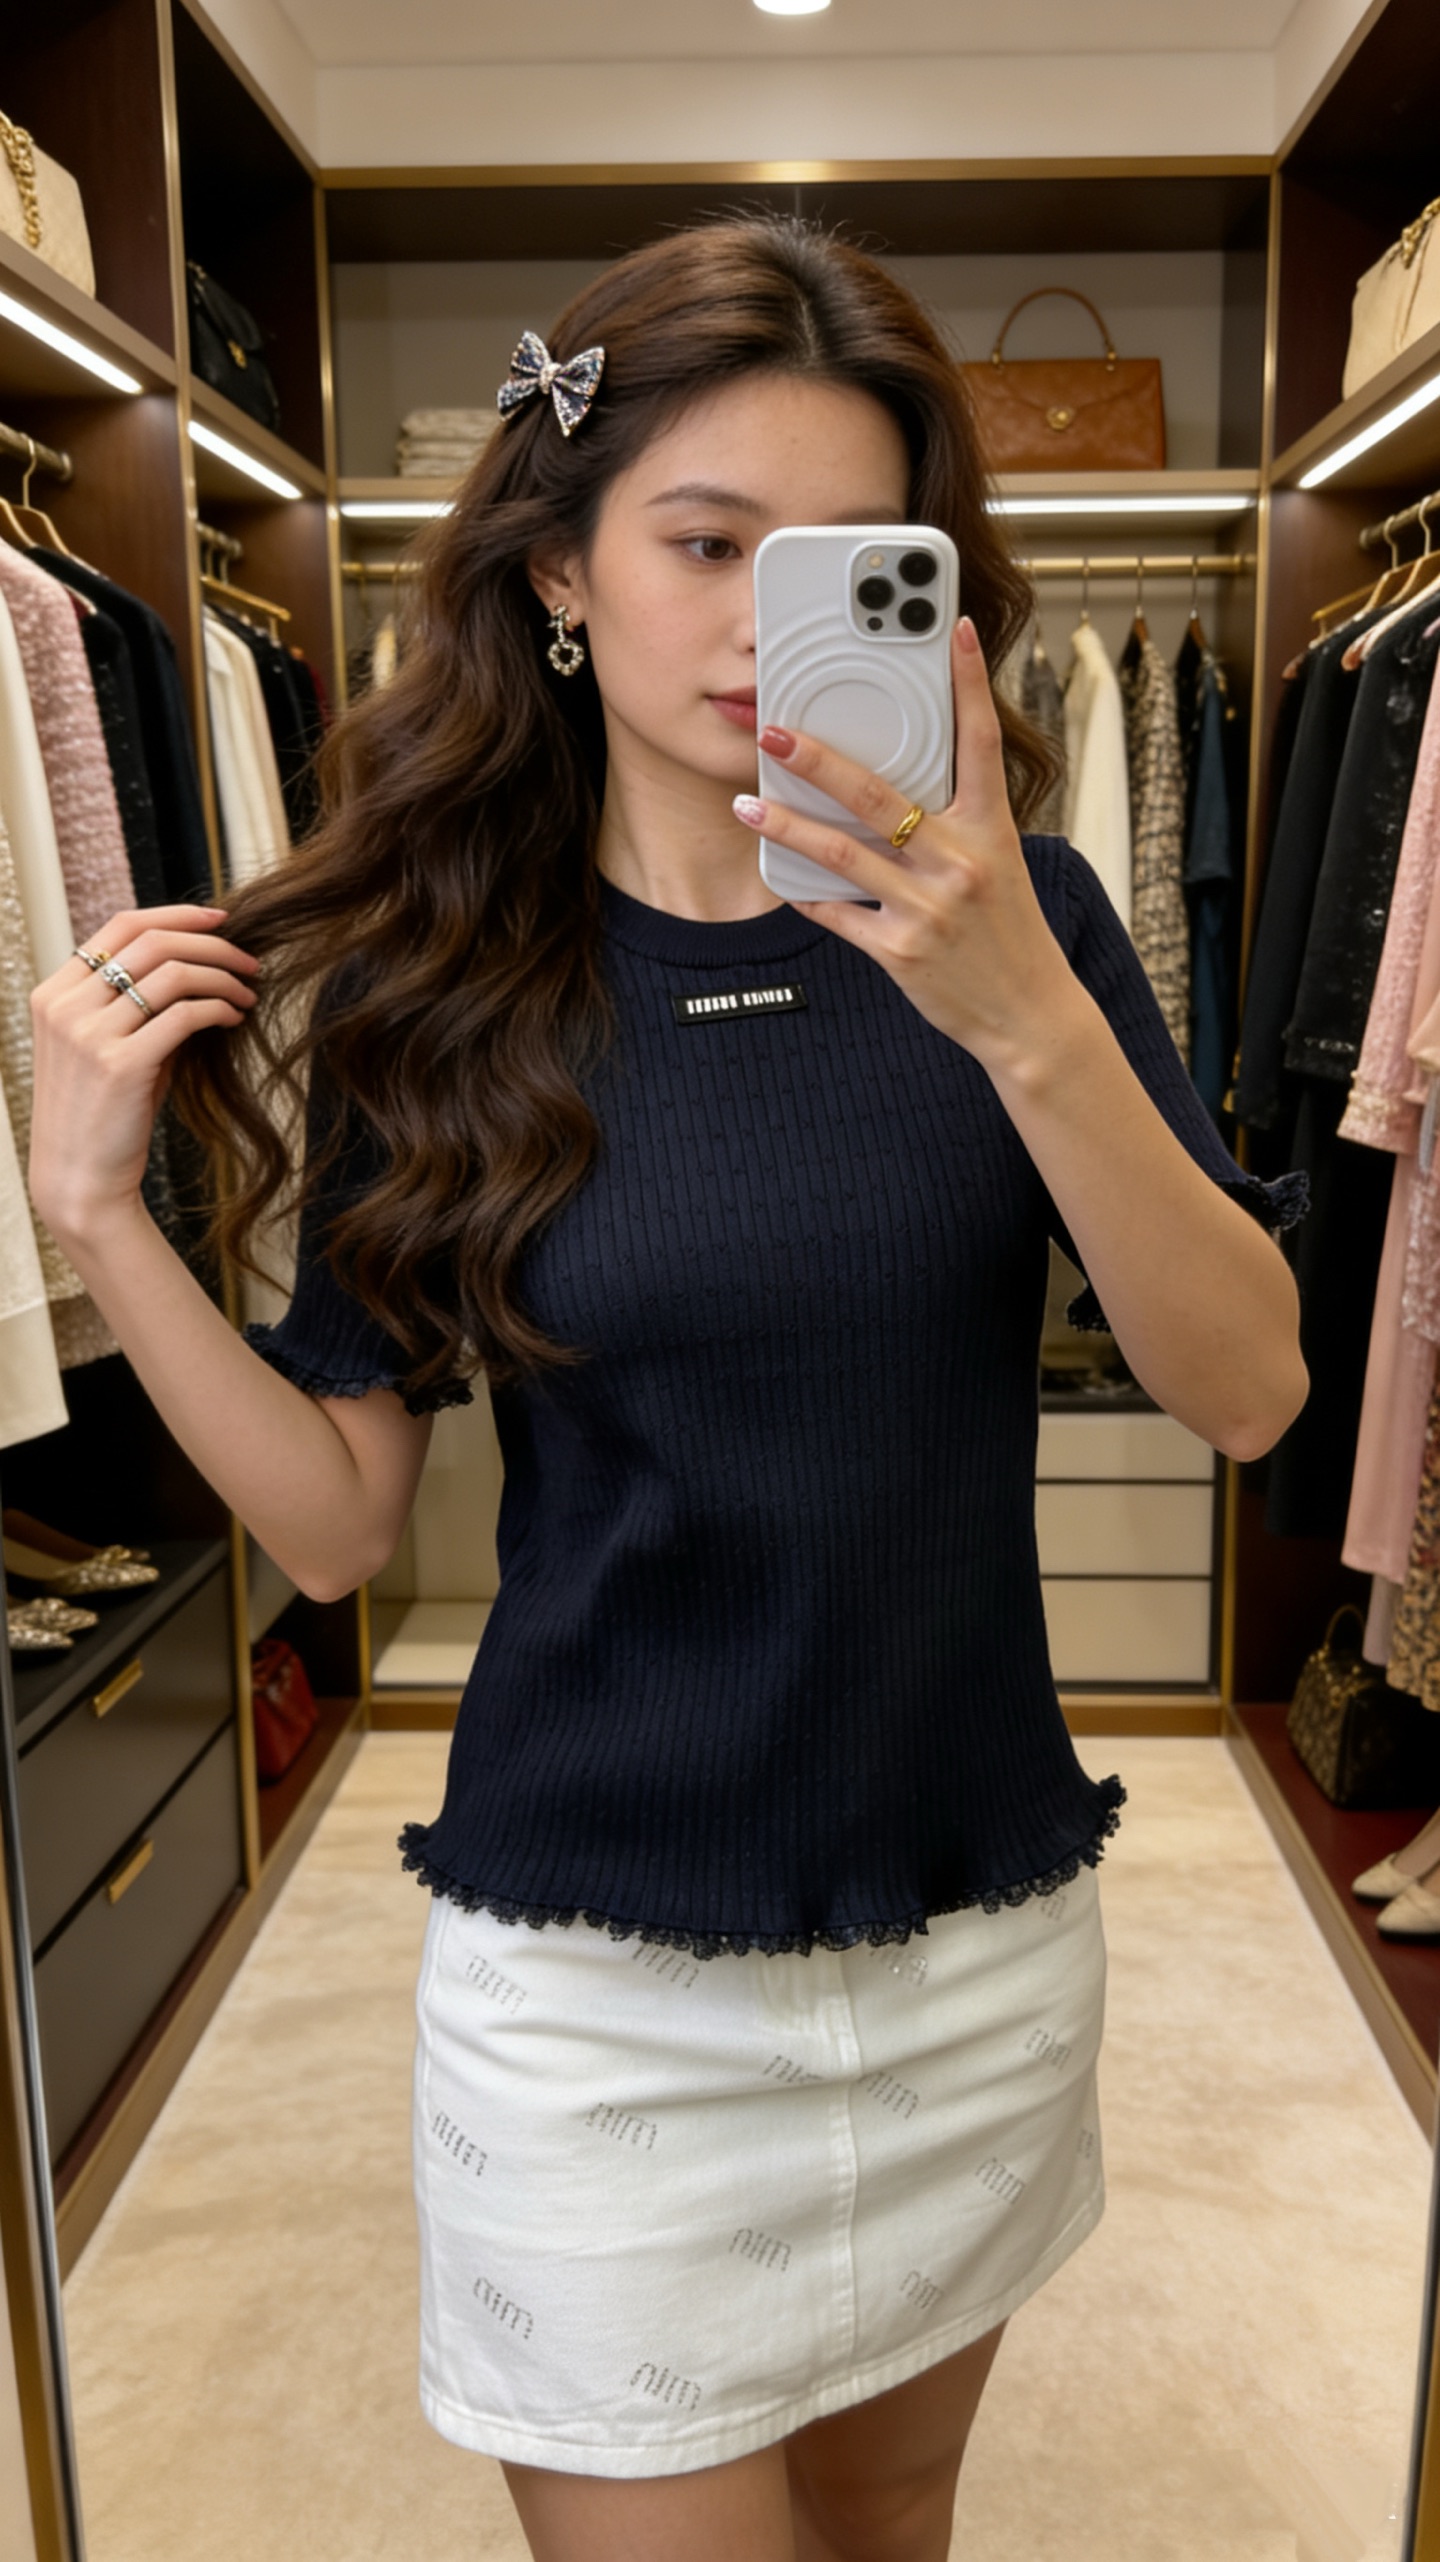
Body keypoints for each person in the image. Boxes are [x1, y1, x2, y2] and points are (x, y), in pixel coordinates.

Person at [29, 218, 1307, 2562]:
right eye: (706, 544)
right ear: (559, 572)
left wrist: (1022, 1015)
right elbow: (333, 1523)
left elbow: (1245, 1392)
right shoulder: (440, 987)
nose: (756, 624)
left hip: (972, 1937)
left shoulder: (1028, 920)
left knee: (890, 2522)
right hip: (597, 1986)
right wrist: (100, 1219)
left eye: (840, 561)